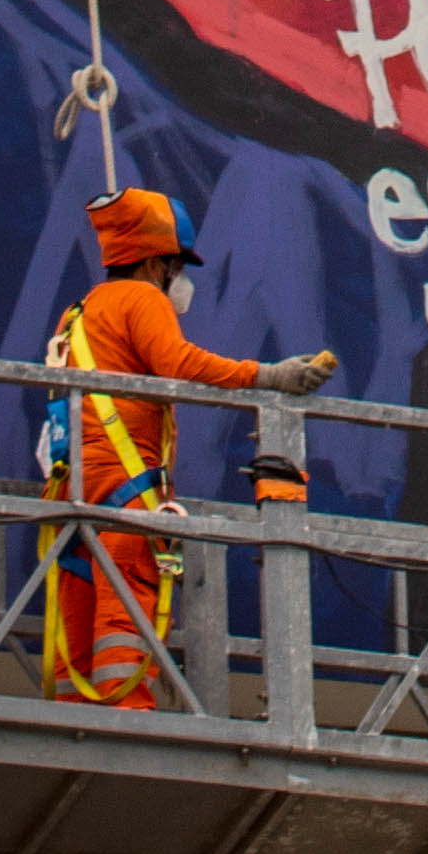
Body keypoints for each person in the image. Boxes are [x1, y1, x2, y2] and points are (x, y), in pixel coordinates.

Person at [44, 189, 336, 711]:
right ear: (155, 262)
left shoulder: (79, 312)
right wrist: (266, 376)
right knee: (125, 601)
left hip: (74, 486)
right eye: (176, 266)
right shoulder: (142, 300)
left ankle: (73, 720)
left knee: (79, 602)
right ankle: (126, 719)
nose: (179, 280)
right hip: (124, 485)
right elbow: (177, 363)